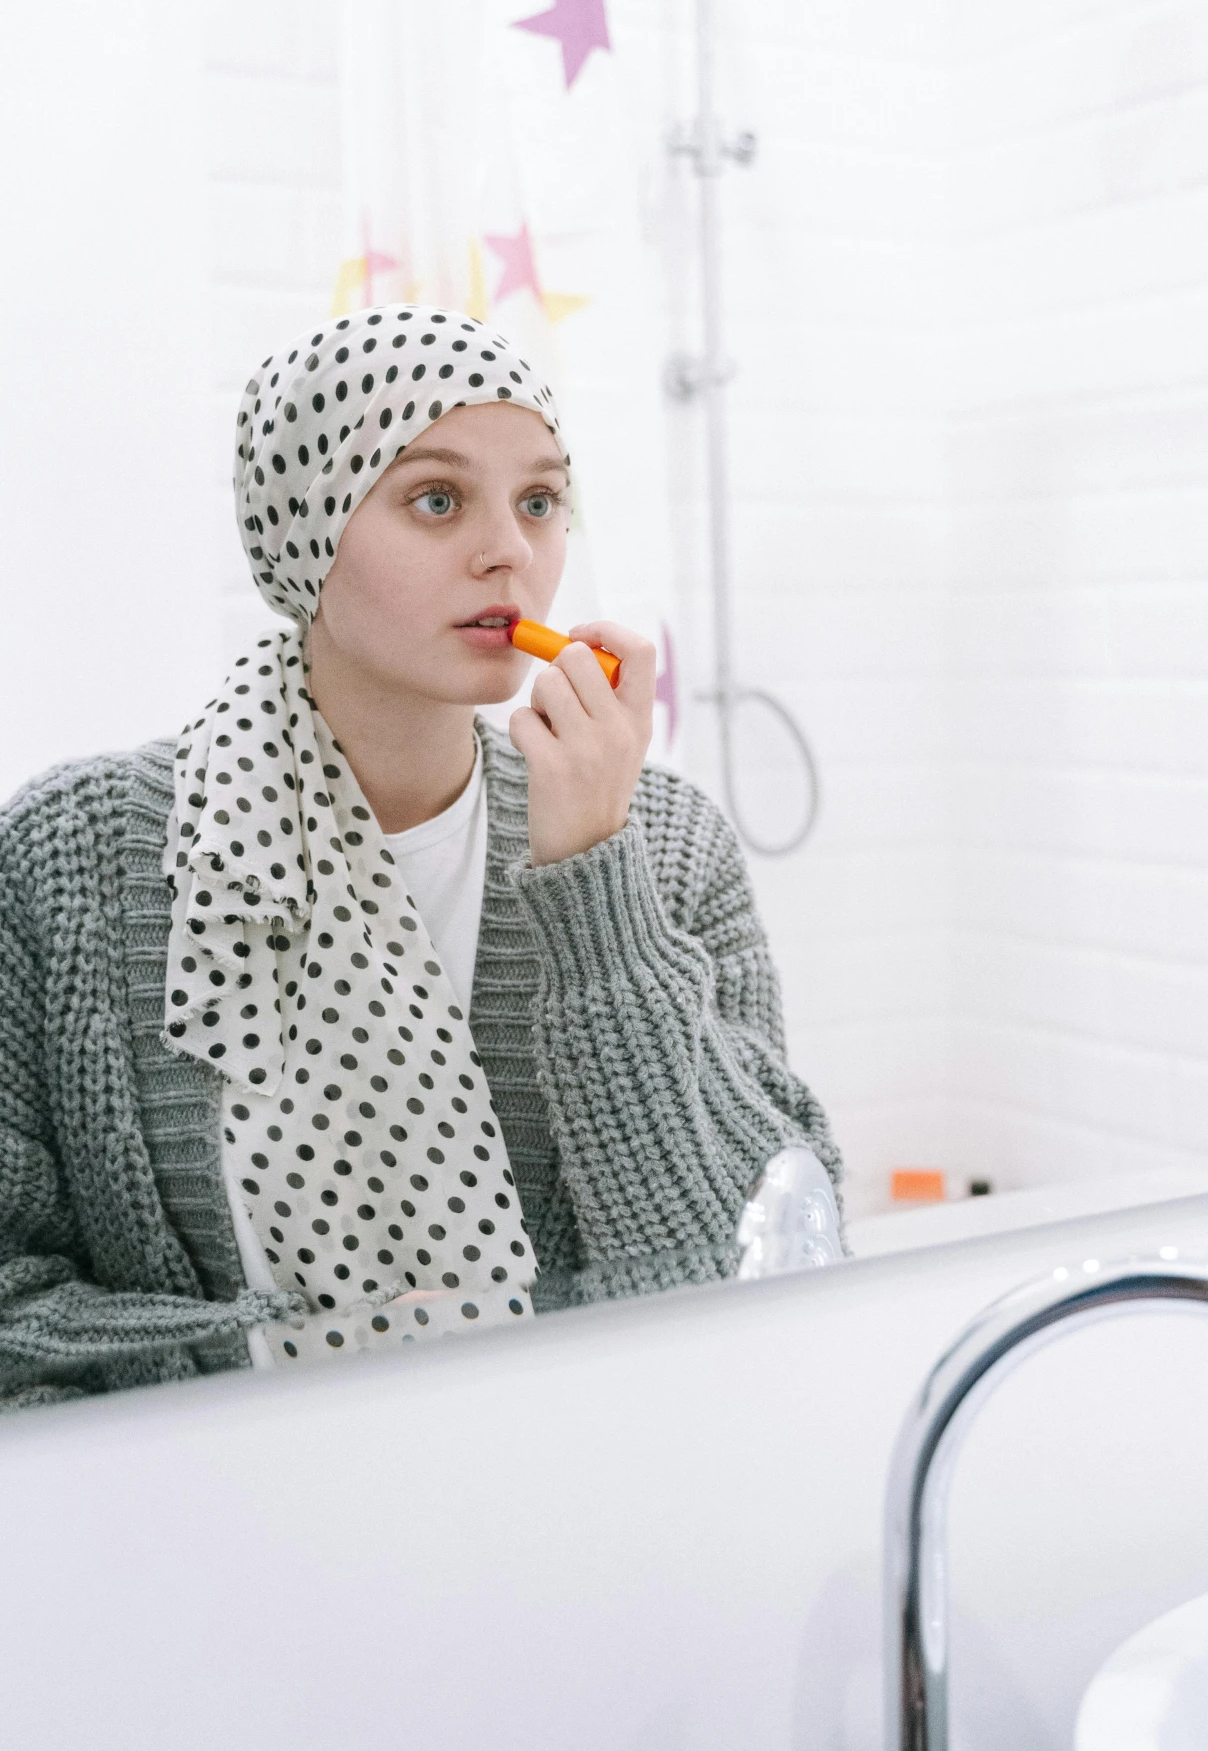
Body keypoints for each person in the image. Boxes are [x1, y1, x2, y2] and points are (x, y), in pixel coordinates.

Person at [0, 306, 838, 1407]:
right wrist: (292, 1361)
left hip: (577, 1509)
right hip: (206, 1529)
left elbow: (753, 1264)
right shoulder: (74, 857)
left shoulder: (659, 838)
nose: (510, 550)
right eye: (436, 499)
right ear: (308, 527)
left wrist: (594, 882)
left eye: (540, 501)